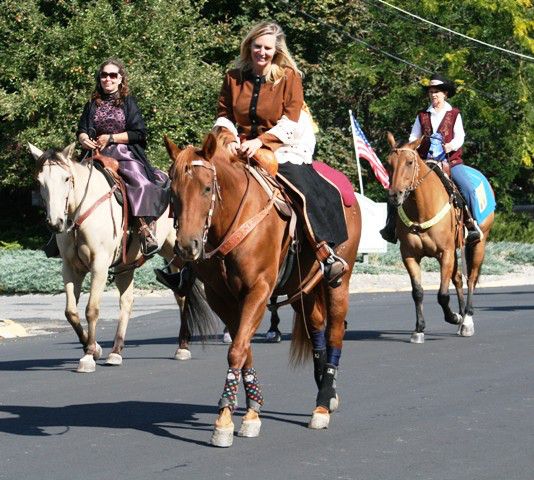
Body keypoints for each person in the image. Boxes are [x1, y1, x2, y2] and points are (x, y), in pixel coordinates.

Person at [213, 21, 348, 287]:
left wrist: (261, 142)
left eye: (267, 48)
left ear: (276, 51)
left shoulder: (288, 77)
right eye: (257, 46)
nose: (261, 52)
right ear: (248, 45)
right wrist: (228, 138)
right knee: (198, 180)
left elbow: (292, 119)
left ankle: (324, 252)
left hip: (282, 145)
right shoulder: (233, 76)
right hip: (238, 145)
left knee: (301, 188)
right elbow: (224, 114)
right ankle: (186, 261)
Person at [77, 58, 170, 256]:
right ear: (99, 78)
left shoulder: (129, 102)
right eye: (104, 75)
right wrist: (84, 139)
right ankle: (60, 238)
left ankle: (144, 228)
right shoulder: (91, 104)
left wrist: (111, 137)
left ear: (120, 79)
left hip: (123, 154)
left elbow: (139, 133)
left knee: (141, 183)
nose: (107, 79)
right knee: (68, 183)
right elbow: (82, 130)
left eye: (112, 75)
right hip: (94, 155)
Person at [380, 73, 483, 244]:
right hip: (424, 162)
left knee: (468, 188)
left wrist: (451, 146)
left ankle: (472, 226)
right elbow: (414, 137)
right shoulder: (422, 116)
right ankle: (391, 226)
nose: (434, 94)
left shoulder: (455, 114)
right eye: (431, 91)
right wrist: (410, 148)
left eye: (437, 91)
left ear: (445, 94)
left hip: (450, 161)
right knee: (396, 186)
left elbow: (460, 137)